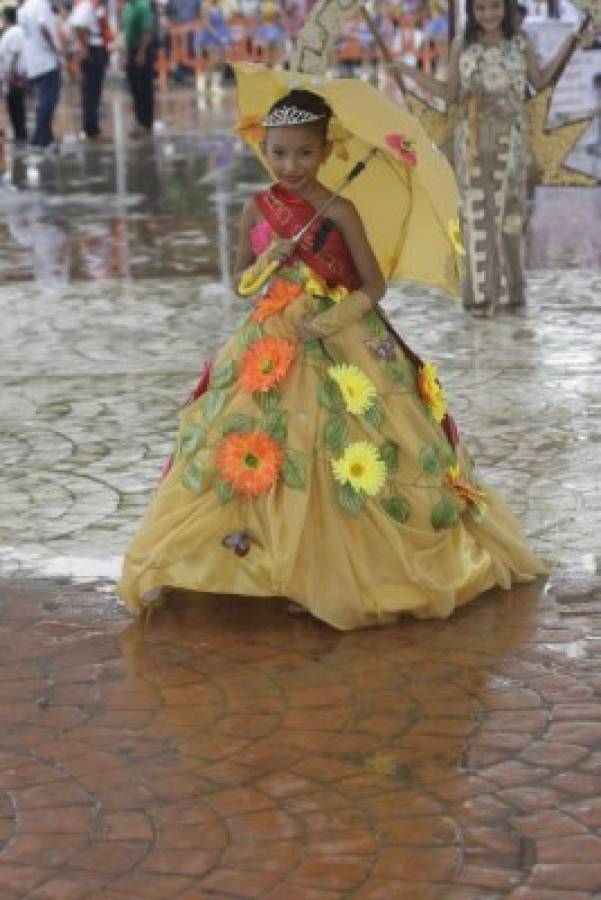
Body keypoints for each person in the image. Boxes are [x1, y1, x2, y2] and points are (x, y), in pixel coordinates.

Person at [118, 87, 546, 630]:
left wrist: (331, 321)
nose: (289, 164)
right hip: (269, 343)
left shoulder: (340, 210)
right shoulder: (258, 206)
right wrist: (269, 261)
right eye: (277, 152)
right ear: (264, 150)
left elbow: (374, 286)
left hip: (340, 343)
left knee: (337, 450)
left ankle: (330, 569)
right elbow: (242, 284)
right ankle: (248, 558)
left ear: (325, 151)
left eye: (302, 152)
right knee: (254, 444)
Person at [392, 0, 590, 316]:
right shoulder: (463, 44)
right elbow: (449, 93)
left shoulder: (520, 42)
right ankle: (480, 297)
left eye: (494, 7)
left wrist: (569, 44)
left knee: (510, 217)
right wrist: (408, 71)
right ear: (472, 12)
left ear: (506, 7)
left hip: (511, 140)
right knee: (476, 216)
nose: (488, 14)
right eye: (481, 8)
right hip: (471, 141)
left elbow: (540, 82)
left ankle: (513, 293)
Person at [17, 0, 62, 152]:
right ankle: (42, 139)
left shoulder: (23, 8)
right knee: (48, 101)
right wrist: (54, 47)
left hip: (34, 62)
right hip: (47, 60)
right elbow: (43, 26)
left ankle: (42, 137)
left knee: (43, 100)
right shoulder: (40, 3)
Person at [69, 0, 109, 139]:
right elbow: (78, 26)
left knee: (94, 89)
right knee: (91, 89)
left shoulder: (94, 7)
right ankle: (90, 126)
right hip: (93, 48)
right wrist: (85, 46)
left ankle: (92, 124)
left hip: (97, 46)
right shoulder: (86, 6)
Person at [122, 0, 155, 136]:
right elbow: (126, 32)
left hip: (142, 49)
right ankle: (139, 120)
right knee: (134, 87)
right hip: (131, 50)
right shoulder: (127, 7)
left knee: (144, 87)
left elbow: (147, 31)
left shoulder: (143, 6)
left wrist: (142, 52)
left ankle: (146, 122)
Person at [0, 6, 28, 146]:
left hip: (14, 75)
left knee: (16, 107)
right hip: (13, 75)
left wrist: (10, 75)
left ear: (6, 17)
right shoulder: (14, 32)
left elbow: (14, 55)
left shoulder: (14, 32)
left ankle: (21, 136)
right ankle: (19, 135)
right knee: (14, 107)